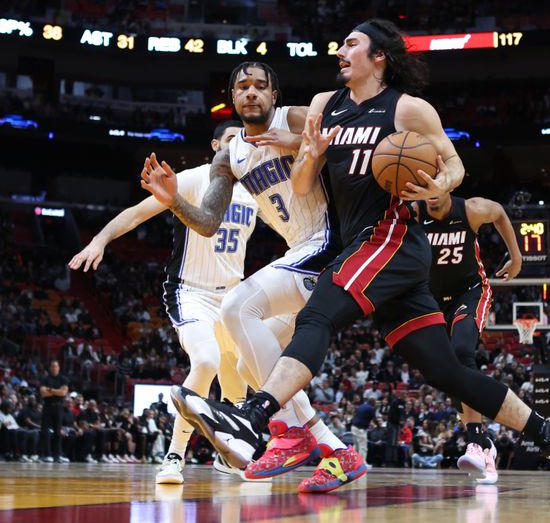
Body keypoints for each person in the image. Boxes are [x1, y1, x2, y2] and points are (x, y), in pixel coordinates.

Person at [170, 19, 550, 499]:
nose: (341, 49)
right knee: (445, 371)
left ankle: (255, 419)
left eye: (351, 43)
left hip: (392, 237)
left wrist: (443, 185)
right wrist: (308, 155)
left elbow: (453, 162)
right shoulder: (323, 107)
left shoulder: (407, 109)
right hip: (363, 246)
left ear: (378, 57)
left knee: (318, 315)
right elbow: (301, 188)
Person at [140, 62, 351, 488]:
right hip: (303, 253)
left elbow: (352, 142)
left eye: (260, 86)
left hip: (331, 243)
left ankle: (287, 432)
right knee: (255, 357)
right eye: (242, 86)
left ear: (274, 94)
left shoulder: (293, 117)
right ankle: (335, 449)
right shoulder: (229, 155)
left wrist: (299, 140)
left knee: (237, 307)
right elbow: (207, 222)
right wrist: (174, 199)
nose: (251, 92)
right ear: (232, 97)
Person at [71, 121, 270, 482]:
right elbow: (137, 213)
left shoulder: (254, 190)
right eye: (228, 140)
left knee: (238, 383)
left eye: (241, 141)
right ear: (215, 146)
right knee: (206, 361)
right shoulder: (194, 179)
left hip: (233, 298)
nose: (236, 146)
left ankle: (228, 457)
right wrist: (99, 240)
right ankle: (174, 456)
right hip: (191, 292)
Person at [413, 193, 522, 485]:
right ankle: (484, 445)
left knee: (461, 350)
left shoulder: (470, 210)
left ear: (448, 185)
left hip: (470, 291)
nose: (431, 194)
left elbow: (499, 209)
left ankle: (476, 440)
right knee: (446, 371)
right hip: (431, 297)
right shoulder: (412, 211)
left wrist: (516, 255)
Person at [39, 360, 69, 463]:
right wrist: (57, 391)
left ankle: (58, 455)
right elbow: (43, 393)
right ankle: (47, 455)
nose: (54, 368)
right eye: (52, 366)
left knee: (58, 432)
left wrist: (50, 390)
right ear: (50, 368)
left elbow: (63, 393)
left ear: (59, 367)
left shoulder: (63, 378)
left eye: (56, 366)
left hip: (59, 407)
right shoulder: (45, 379)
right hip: (47, 407)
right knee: (45, 431)